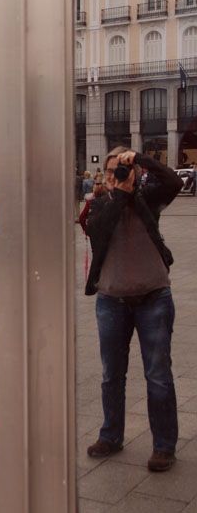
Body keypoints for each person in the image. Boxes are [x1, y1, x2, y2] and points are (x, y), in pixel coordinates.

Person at [86, 146, 183, 472]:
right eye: (111, 171)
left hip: (154, 297)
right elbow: (98, 230)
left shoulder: (150, 198)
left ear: (136, 173)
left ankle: (164, 446)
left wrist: (140, 159)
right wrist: (120, 195)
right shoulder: (100, 204)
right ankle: (111, 435)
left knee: (158, 376)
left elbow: (173, 182)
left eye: (121, 170)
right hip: (111, 302)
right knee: (111, 375)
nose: (116, 176)